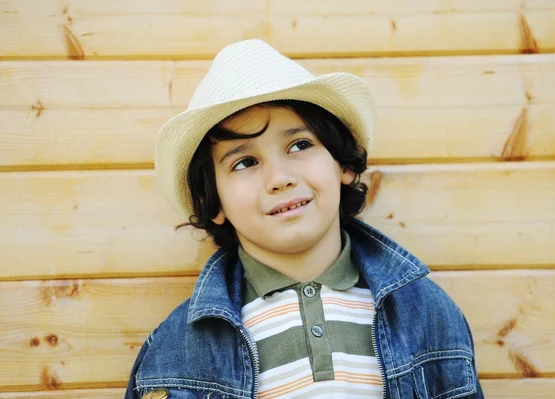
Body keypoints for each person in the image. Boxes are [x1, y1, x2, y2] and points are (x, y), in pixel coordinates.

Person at [125, 39, 484, 399]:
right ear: (213, 201)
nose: (280, 178)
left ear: (343, 162)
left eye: (299, 145)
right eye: (245, 162)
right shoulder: (176, 353)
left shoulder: (427, 315)